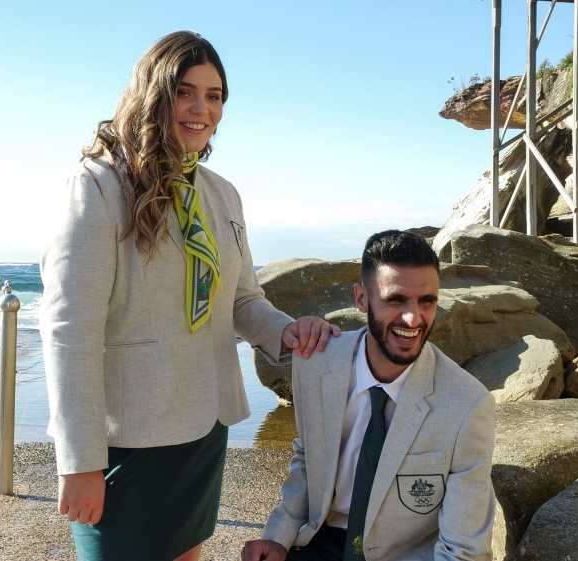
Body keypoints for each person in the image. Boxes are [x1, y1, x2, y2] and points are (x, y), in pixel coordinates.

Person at [39, 31, 338, 561]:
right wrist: (79, 460)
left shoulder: (222, 194)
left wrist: (287, 333)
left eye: (215, 95)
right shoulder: (97, 185)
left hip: (202, 427)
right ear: (152, 93)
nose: (201, 108)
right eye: (184, 91)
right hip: (124, 439)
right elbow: (69, 330)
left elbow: (243, 300)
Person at [242, 230, 496, 561]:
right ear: (361, 299)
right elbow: (308, 457)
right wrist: (278, 537)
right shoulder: (315, 363)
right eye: (395, 299)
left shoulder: (468, 404)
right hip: (322, 540)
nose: (413, 318)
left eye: (426, 301)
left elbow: (464, 551)